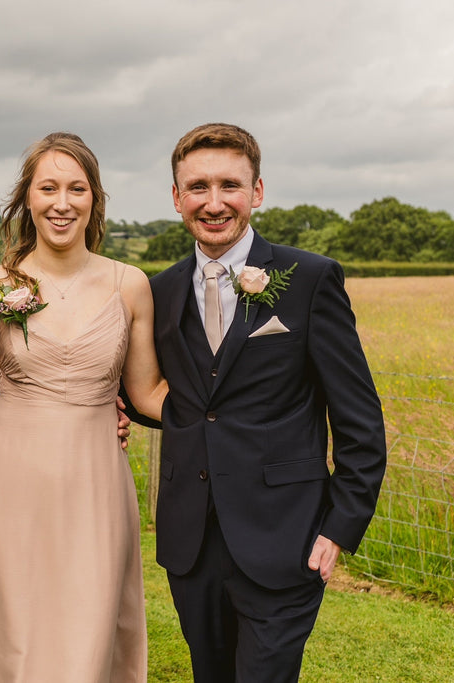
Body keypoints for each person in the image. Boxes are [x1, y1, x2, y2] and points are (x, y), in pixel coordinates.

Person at [150, 123, 387, 682]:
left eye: (230, 185)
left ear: (256, 192)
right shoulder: (158, 290)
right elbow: (169, 393)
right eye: (198, 186)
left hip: (287, 535)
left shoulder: (310, 279)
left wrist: (341, 525)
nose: (214, 203)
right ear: (177, 197)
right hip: (191, 541)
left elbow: (358, 418)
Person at [0, 132, 167, 682]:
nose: (62, 202)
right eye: (48, 187)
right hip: (11, 480)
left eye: (76, 188)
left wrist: (242, 406)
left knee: (88, 624)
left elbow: (147, 392)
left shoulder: (130, 284)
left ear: (94, 198)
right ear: (27, 198)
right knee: (16, 630)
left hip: (96, 478)